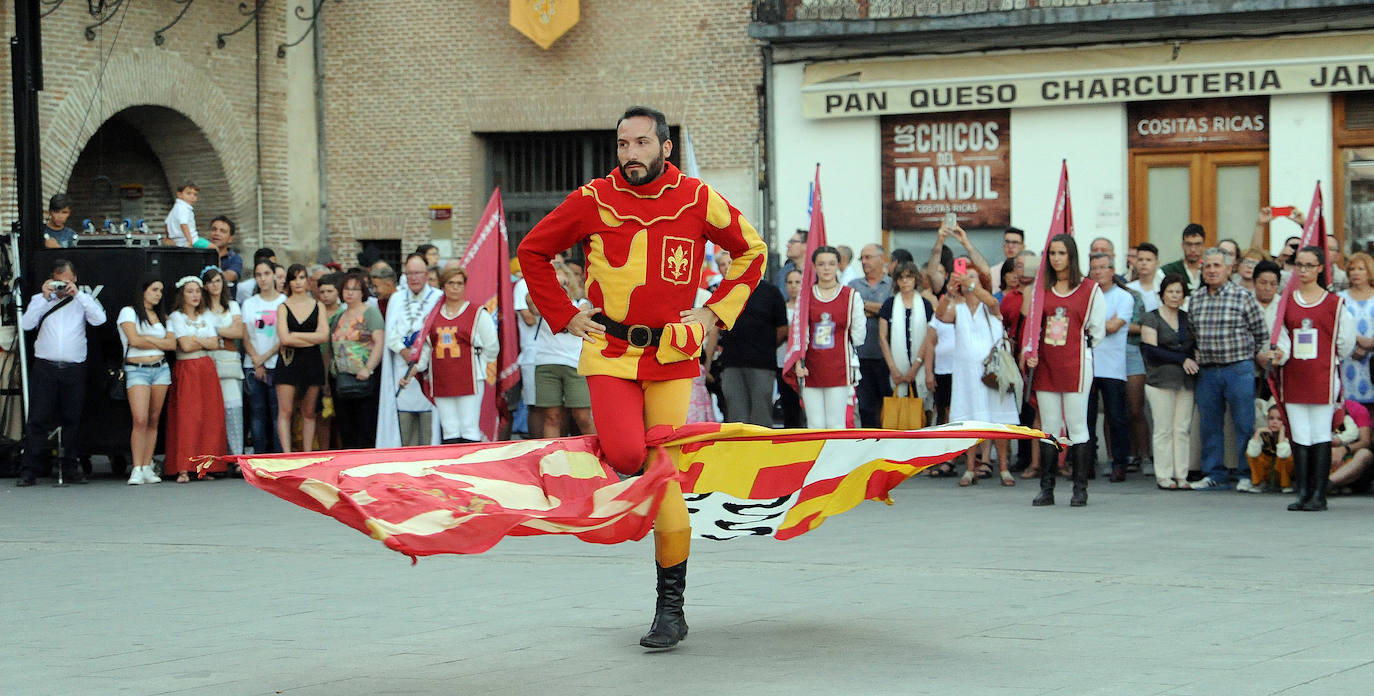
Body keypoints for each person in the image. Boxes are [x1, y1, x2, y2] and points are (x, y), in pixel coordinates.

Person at [516, 105, 765, 650]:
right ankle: (634, 495)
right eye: (623, 144)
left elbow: (752, 251)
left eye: (642, 143)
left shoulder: (699, 199)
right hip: (608, 350)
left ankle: (670, 609)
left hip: (673, 354)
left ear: (665, 147)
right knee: (628, 455)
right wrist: (563, 313)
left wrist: (713, 312)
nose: (630, 154)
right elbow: (531, 250)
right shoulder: (591, 199)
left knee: (662, 466)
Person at [1270, 246, 1356, 510]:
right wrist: (1280, 354)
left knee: (1320, 433)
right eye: (1300, 265)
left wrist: (1329, 359)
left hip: (1322, 376)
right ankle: (1303, 491)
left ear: (1321, 268)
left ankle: (1319, 493)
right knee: (1299, 434)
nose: (1303, 270)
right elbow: (1280, 335)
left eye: (1309, 265)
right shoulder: (1287, 300)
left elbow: (1345, 342)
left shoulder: (1335, 303)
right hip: (1294, 375)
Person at [1023, 234, 1106, 506]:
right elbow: (1033, 326)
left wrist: (1077, 347)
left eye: (1061, 253)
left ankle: (1079, 489)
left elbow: (1097, 331)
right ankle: (1047, 488)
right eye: (1052, 254)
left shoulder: (1090, 289)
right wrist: (1030, 354)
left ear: (1071, 255)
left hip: (1076, 364)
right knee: (1049, 428)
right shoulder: (1041, 288)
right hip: (1046, 365)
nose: (1056, 258)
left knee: (1077, 425)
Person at [16, 259, 107, 486]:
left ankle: (70, 468)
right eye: (59, 282)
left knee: (72, 420)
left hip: (74, 369)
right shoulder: (40, 300)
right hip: (45, 368)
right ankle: (29, 470)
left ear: (75, 279)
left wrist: (80, 296)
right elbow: (26, 325)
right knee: (37, 419)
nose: (62, 287)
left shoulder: (82, 301)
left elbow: (100, 319)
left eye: (66, 281)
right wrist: (44, 299)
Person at [1189, 247, 1269, 491]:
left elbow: (1261, 333)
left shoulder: (1243, 296)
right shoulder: (1196, 298)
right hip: (1208, 372)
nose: (1212, 270)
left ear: (1228, 268)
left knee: (1244, 424)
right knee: (1209, 425)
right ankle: (1215, 474)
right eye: (1208, 266)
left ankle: (1247, 474)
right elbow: (1192, 332)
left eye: (1217, 266)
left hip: (1238, 369)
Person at [941, 264, 1019, 486]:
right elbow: (941, 317)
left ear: (981, 282)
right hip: (966, 374)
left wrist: (971, 285)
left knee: (998, 419)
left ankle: (1004, 467)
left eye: (972, 277)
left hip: (992, 374)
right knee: (969, 420)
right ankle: (970, 468)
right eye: (964, 278)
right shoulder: (959, 307)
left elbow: (994, 302)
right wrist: (948, 295)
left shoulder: (991, 306)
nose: (966, 280)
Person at [402, 267, 498, 443]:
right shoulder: (432, 316)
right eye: (451, 283)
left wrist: (478, 364)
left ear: (465, 286)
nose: (455, 287)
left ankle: (470, 468)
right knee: (449, 428)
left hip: (469, 378)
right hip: (442, 378)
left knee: (469, 427)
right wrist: (413, 371)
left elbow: (492, 346)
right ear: (443, 286)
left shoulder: (477, 313)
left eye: (459, 283)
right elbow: (426, 349)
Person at [794, 246, 865, 429]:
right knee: (814, 425)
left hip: (839, 367)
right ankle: (818, 459)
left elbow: (859, 335)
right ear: (815, 267)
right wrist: (797, 361)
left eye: (831, 263)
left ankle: (837, 459)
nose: (827, 268)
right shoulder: (806, 296)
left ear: (838, 266)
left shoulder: (850, 296)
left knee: (836, 424)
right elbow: (798, 333)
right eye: (822, 264)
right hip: (811, 368)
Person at [164, 276, 227, 482]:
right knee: (188, 418)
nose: (195, 295)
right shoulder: (176, 317)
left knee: (209, 416)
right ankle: (183, 467)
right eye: (190, 291)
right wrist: (203, 341)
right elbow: (185, 345)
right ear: (182, 294)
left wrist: (196, 339)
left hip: (206, 367)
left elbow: (216, 343)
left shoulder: (207, 315)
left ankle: (203, 467)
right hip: (187, 368)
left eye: (197, 291)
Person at [1140, 274, 1198, 490]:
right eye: (1170, 291)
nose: (1174, 296)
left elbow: (1192, 346)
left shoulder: (1187, 318)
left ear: (1184, 296)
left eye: (1179, 292)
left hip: (1185, 381)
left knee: (1182, 428)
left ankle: (1181, 475)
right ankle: (1163, 475)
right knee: (1163, 429)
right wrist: (1181, 358)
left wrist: (1192, 357)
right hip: (1159, 381)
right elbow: (1151, 351)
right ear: (1162, 294)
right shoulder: (1151, 318)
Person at [378, 254, 443, 447]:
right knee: (405, 429)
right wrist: (403, 350)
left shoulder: (438, 297)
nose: (414, 278)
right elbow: (390, 331)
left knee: (428, 429)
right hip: (401, 366)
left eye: (418, 273)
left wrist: (420, 355)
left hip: (427, 370)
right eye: (410, 273)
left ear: (426, 274)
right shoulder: (396, 298)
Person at [118, 276, 176, 485]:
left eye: (160, 290)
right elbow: (134, 340)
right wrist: (157, 341)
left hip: (160, 369)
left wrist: (149, 341)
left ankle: (146, 464)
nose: (158, 294)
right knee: (140, 419)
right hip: (137, 369)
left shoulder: (162, 316)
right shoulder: (129, 312)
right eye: (154, 289)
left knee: (153, 419)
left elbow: (171, 344)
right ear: (143, 291)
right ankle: (136, 466)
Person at [714, 274, 788, 427]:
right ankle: (738, 450)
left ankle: (762, 450)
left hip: (762, 363)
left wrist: (766, 346)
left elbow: (782, 328)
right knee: (735, 416)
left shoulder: (771, 292)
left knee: (761, 415)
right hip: (731, 362)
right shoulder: (728, 290)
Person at [1086, 253, 1135, 482]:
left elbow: (1114, 326)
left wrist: (1093, 326)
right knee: (1085, 418)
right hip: (1087, 364)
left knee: (1116, 417)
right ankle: (1086, 463)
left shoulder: (1124, 297)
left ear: (1112, 271)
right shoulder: (1085, 295)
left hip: (1113, 367)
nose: (1097, 272)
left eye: (1102, 268)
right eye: (1094, 268)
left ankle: (1119, 463)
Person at [531, 269, 596, 437]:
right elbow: (531, 305)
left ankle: (596, 458)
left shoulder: (581, 301)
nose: (557, 278)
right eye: (553, 274)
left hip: (575, 363)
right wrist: (551, 286)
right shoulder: (541, 300)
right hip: (546, 362)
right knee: (552, 417)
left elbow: (582, 315)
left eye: (560, 275)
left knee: (583, 416)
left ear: (569, 278)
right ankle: (553, 458)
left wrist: (561, 288)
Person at [274, 264, 329, 453]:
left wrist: (296, 336)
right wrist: (308, 338)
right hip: (288, 360)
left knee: (309, 411)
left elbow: (323, 336)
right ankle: (287, 454)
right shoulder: (283, 307)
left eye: (302, 277)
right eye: (294, 278)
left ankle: (306, 453)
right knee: (286, 410)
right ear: (289, 282)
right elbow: (284, 338)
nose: (298, 282)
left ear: (307, 280)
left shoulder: (318, 305)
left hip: (312, 360)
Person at [329, 272, 384, 449]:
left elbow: (379, 342)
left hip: (363, 379)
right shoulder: (339, 315)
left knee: (365, 427)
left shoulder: (371, 313)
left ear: (363, 292)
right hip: (341, 379)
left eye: (355, 289)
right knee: (346, 428)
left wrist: (368, 368)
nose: (350, 293)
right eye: (346, 288)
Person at [241, 260, 285, 454]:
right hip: (253, 365)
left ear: (274, 275)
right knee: (257, 413)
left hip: (277, 363)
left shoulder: (283, 302)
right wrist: (256, 360)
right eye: (258, 275)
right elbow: (246, 336)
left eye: (266, 273)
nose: (262, 278)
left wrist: (265, 357)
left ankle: (277, 457)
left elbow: (283, 337)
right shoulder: (250, 304)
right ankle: (259, 457)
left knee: (278, 413)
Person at [1124, 243, 1161, 474]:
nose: (1144, 263)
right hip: (1134, 350)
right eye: (1141, 259)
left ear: (1156, 262)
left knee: (1155, 407)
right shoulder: (1128, 289)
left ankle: (1152, 454)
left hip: (1159, 352)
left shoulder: (1162, 289)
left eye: (1149, 259)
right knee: (1133, 406)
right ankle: (1135, 453)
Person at [202, 267, 246, 457]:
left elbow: (238, 332)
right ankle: (216, 457)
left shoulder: (232, 305)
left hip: (228, 361)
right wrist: (224, 330)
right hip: (208, 360)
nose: (215, 285)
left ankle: (236, 456)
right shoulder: (201, 309)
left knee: (233, 408)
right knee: (210, 411)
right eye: (211, 281)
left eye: (218, 280)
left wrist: (215, 331)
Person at [847, 244, 892, 428]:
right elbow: (850, 311)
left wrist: (862, 305)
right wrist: (880, 309)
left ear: (881, 259)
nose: (864, 262)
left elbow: (890, 310)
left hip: (887, 357)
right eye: (862, 258)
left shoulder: (891, 284)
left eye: (868, 257)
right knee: (865, 408)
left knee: (887, 405)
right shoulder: (853, 285)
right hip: (861, 356)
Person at [879, 261, 932, 414]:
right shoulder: (889, 305)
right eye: (901, 278)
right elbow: (883, 337)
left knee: (921, 416)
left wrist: (915, 367)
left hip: (920, 368)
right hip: (893, 370)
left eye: (909, 277)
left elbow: (929, 338)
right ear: (896, 281)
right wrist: (893, 369)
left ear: (916, 279)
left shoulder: (925, 305)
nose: (905, 281)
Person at [1338, 252, 1374, 411]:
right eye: (1352, 269)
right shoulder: (1339, 298)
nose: (1355, 273)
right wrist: (1358, 340)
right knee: (1351, 412)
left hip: (1372, 360)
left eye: (1361, 268)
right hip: (1349, 359)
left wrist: (1370, 344)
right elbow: (1335, 326)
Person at [776, 268, 804, 428]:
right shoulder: (782, 307)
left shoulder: (807, 307)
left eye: (797, 282)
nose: (794, 286)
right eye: (790, 282)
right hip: (783, 360)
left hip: (803, 363)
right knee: (788, 403)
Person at [1246, 403, 1294, 493]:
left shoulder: (1289, 435)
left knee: (1286, 457)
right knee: (1252, 454)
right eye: (1271, 418)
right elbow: (1252, 453)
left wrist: (1282, 432)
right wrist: (1258, 432)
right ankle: (1259, 482)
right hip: (1268, 471)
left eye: (1279, 419)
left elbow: (1283, 454)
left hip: (1283, 472)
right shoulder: (1263, 433)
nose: (1274, 422)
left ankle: (1286, 484)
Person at [1329, 399, 1373, 493]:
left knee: (1364, 454)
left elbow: (1365, 441)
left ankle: (1326, 484)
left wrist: (1343, 450)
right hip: (1324, 453)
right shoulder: (1314, 409)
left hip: (1351, 455)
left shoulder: (1356, 409)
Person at [1160, 224, 1205, 294]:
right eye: (1189, 244)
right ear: (1182, 245)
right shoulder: (1167, 271)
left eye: (1198, 244)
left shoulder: (1210, 272)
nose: (1193, 249)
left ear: (1203, 246)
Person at [164, 182, 202, 248]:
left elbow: (166, 223)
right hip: (192, 239)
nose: (192, 197)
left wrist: (168, 237)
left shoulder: (176, 207)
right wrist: (190, 241)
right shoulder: (184, 208)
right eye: (188, 193)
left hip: (177, 241)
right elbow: (183, 224)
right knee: (214, 249)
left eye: (195, 194)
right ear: (179, 195)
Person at [208, 216, 242, 283]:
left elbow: (230, 277)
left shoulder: (235, 259)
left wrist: (216, 253)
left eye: (222, 231)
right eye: (214, 229)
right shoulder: (200, 254)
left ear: (230, 239)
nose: (217, 233)